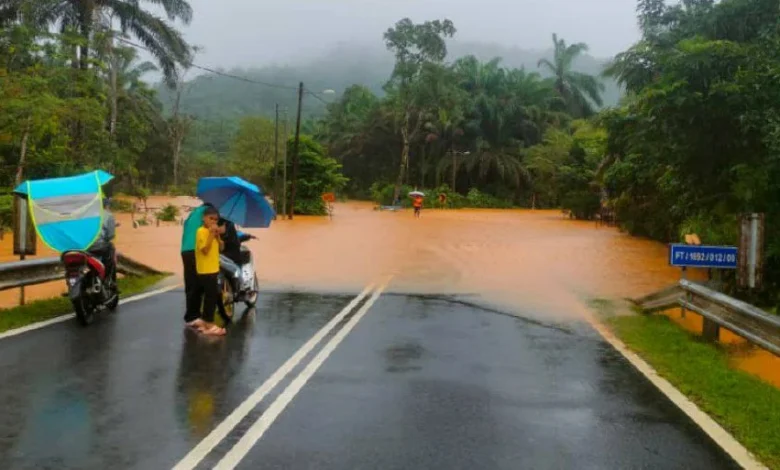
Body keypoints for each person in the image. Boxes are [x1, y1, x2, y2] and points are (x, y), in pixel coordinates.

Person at [189, 206, 226, 336]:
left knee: (211, 296)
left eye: (216, 220)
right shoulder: (201, 231)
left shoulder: (213, 233)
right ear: (204, 218)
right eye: (211, 218)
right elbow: (204, 250)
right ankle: (209, 323)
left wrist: (218, 237)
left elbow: (221, 248)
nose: (213, 222)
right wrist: (211, 234)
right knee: (211, 297)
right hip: (205, 270)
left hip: (213, 268)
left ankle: (205, 320)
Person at [181, 203, 213, 324]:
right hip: (197, 250)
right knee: (199, 284)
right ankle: (195, 316)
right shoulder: (209, 212)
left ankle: (191, 316)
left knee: (190, 283)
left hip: (185, 250)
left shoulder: (193, 213)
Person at [88, 198, 117, 283]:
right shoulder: (108, 215)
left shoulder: (88, 215)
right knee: (111, 248)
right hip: (99, 246)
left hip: (84, 246)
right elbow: (111, 236)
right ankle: (109, 280)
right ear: (107, 206)